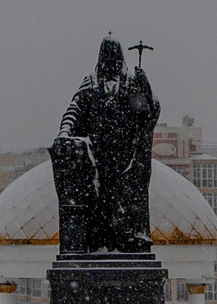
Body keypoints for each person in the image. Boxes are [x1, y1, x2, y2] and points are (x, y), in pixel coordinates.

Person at [50, 37, 159, 253]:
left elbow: (147, 113)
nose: (110, 64)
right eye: (106, 58)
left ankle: (128, 239)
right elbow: (74, 109)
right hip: (98, 155)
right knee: (98, 200)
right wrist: (64, 132)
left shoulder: (131, 83)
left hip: (125, 155)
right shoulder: (91, 83)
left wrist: (146, 89)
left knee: (125, 199)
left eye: (114, 58)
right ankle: (99, 243)